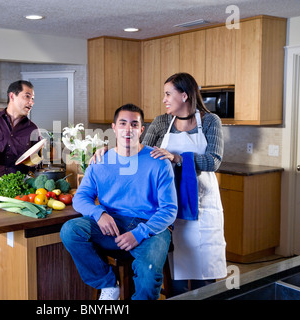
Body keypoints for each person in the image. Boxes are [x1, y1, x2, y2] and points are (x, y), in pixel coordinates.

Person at [93, 72, 227, 296]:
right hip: (167, 201)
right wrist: (109, 151)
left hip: (202, 203)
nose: (164, 99)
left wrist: (177, 158)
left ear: (184, 95)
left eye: (168, 94)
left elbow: (214, 161)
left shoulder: (210, 121)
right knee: (175, 269)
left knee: (204, 264)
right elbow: (136, 151)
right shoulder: (162, 122)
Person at [60, 104, 178, 300]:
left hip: (151, 228)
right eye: (123, 123)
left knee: (149, 274)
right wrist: (99, 213)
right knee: (70, 230)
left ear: (141, 129)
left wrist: (139, 233)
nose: (128, 129)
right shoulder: (100, 160)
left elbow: (169, 210)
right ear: (114, 128)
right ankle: (107, 284)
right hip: (113, 225)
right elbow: (80, 198)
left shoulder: (158, 161)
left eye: (134, 124)